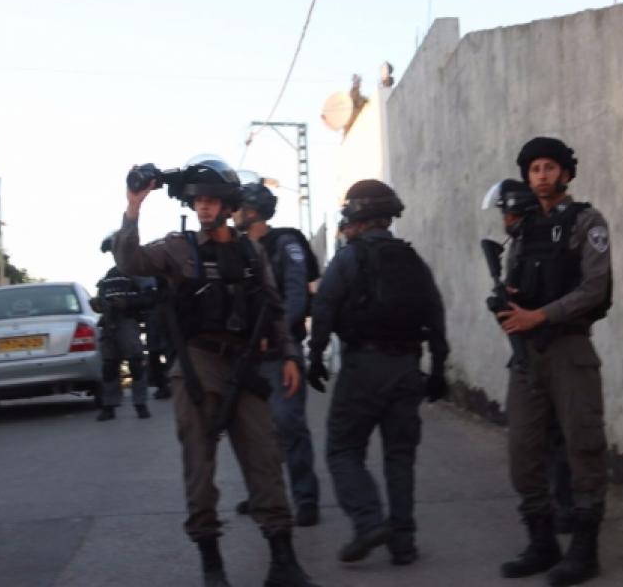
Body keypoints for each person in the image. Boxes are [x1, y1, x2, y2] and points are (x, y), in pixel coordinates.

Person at [112, 157, 320, 587]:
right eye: (197, 200)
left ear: (228, 205)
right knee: (199, 467)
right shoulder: (178, 247)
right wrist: (134, 206)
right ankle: (212, 566)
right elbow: (130, 261)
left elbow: (273, 306)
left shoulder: (250, 251)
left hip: (244, 364)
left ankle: (283, 562)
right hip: (197, 365)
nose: (203, 206)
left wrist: (288, 356)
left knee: (264, 460)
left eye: (211, 200)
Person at [308, 179, 449, 566]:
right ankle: (403, 542)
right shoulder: (412, 260)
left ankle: (369, 521)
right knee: (399, 457)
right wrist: (438, 368)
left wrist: (315, 355)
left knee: (343, 449)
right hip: (407, 369)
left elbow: (324, 307)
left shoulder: (348, 259)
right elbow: (436, 314)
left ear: (356, 217)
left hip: (362, 369)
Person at [496, 137, 612, 586]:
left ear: (564, 173)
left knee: (583, 447)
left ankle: (585, 551)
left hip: (569, 348)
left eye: (549, 167)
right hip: (528, 354)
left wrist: (540, 315)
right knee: (522, 452)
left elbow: (594, 288)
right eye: (534, 169)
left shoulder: (587, 221)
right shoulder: (523, 231)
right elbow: (514, 283)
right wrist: (508, 303)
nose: (541, 175)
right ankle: (542, 542)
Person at [485, 178, 576, 535]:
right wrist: (505, 302)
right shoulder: (521, 245)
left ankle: (564, 506)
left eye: (507, 213)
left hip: (551, 347)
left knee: (556, 433)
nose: (504, 221)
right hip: (530, 348)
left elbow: (554, 297)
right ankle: (552, 506)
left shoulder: (546, 241)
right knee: (538, 435)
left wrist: (522, 306)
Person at [231, 175, 321, 527]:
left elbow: (296, 296)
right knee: (253, 431)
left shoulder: (285, 244)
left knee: (289, 424)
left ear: (253, 211)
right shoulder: (235, 250)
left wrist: (277, 335)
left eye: (238, 208)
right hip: (247, 356)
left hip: (281, 353)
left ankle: (305, 498)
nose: (233, 214)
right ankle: (262, 495)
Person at [94, 236, 158, 421]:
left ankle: (140, 404)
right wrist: (98, 304)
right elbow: (101, 298)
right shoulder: (110, 275)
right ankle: (109, 406)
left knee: (135, 364)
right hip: (109, 323)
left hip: (128, 322)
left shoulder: (137, 273)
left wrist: (128, 303)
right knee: (109, 366)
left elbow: (151, 297)